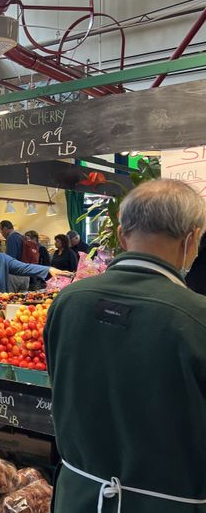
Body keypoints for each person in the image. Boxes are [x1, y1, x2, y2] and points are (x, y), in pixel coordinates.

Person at [44, 179, 206, 513]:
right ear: (192, 240)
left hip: (78, 497)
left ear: (121, 235)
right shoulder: (196, 317)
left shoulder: (68, 301)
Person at [0, 220, 30, 292]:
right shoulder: (21, 236)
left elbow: (10, 258)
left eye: (1, 230)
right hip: (26, 275)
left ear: (5, 228)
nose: (1, 233)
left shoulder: (11, 238)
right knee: (22, 300)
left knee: (11, 299)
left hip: (15, 275)